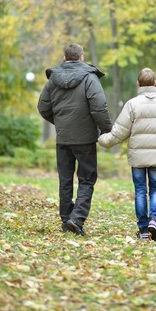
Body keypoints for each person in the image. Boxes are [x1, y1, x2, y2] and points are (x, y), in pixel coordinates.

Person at [98, 68, 156, 240]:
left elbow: (119, 132)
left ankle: (143, 228)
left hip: (138, 157)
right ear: (155, 83)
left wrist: (102, 140)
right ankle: (154, 221)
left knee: (140, 190)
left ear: (138, 84)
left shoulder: (132, 105)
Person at [38, 43, 112, 236]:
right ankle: (76, 218)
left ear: (65, 58)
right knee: (86, 179)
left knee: (65, 180)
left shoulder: (53, 79)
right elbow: (99, 106)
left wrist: (61, 123)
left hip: (63, 138)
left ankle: (66, 220)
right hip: (85, 138)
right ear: (81, 57)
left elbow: (43, 107)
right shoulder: (89, 77)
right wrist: (106, 130)